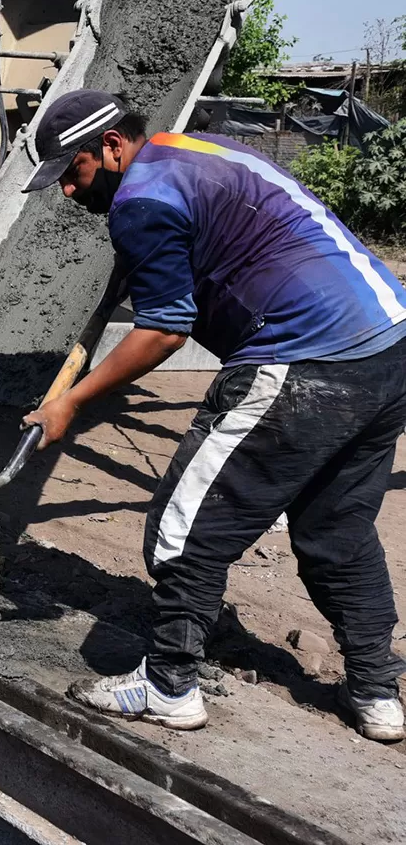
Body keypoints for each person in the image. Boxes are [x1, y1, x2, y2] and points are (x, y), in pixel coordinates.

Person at [21, 88, 406, 742]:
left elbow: (165, 331)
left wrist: (70, 402)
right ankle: (377, 694)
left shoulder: (140, 204)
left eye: (73, 172)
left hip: (304, 357)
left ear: (111, 147)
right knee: (337, 532)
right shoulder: (196, 151)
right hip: (388, 344)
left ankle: (169, 685)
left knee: (182, 529)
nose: (66, 193)